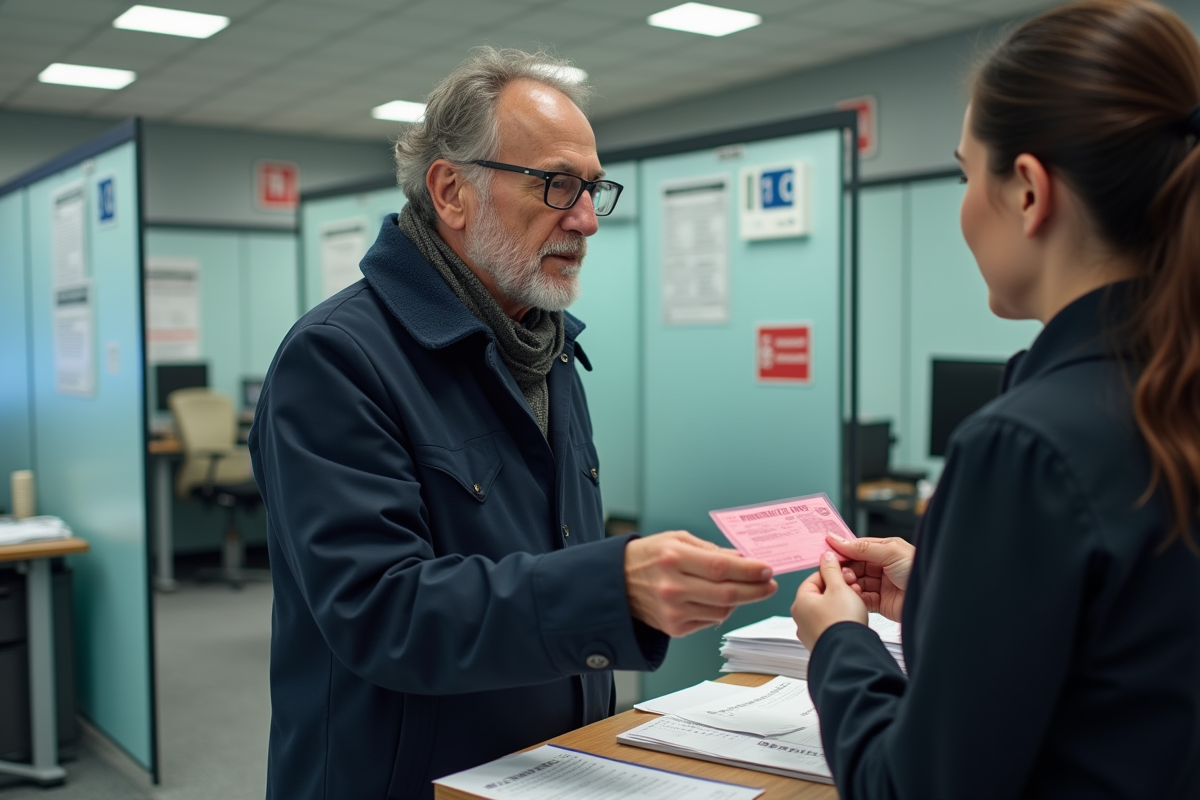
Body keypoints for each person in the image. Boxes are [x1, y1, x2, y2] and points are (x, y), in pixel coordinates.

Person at [249, 47, 777, 800]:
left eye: (594, 189)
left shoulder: (546, 343)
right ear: (452, 191)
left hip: (549, 771)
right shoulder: (334, 360)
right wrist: (611, 590)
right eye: (559, 186)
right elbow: (380, 611)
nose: (588, 220)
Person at [789, 1, 1200, 797]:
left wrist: (841, 643)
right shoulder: (1160, 396)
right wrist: (944, 591)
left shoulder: (1028, 445)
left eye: (964, 172)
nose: (964, 205)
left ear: (1028, 193)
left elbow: (912, 788)